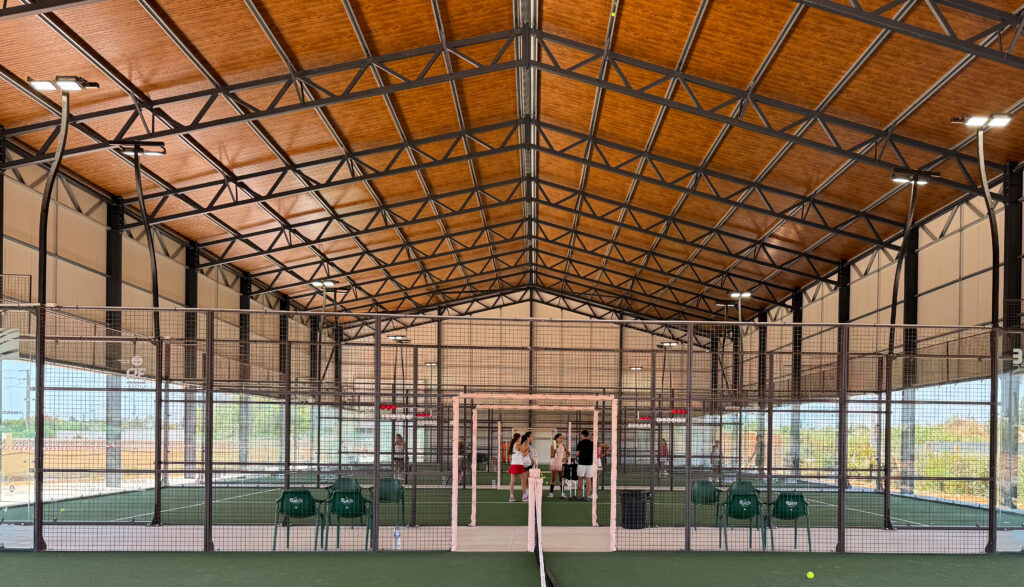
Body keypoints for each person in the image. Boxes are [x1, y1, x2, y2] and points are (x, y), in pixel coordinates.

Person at [575, 430, 594, 500]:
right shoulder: (592, 443)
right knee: (589, 480)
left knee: (580, 479)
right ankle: (587, 496)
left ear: (582, 435)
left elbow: (577, 454)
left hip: (582, 463)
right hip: (590, 464)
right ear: (588, 435)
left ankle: (579, 496)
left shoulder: (580, 443)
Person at [549, 433, 566, 498]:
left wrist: (566, 458)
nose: (561, 439)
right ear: (556, 438)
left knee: (561, 479)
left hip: (560, 463)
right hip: (554, 463)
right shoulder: (553, 445)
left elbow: (568, 453)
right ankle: (551, 493)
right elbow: (551, 456)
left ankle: (562, 493)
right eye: (560, 438)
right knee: (553, 479)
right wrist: (554, 451)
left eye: (562, 438)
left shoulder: (564, 445)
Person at [506, 433, 521, 501]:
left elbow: (510, 457)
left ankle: (511, 497)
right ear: (518, 438)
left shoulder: (512, 445)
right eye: (520, 437)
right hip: (519, 465)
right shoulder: (518, 445)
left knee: (512, 481)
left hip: (513, 464)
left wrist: (512, 463)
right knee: (524, 481)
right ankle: (525, 496)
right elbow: (524, 453)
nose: (521, 439)